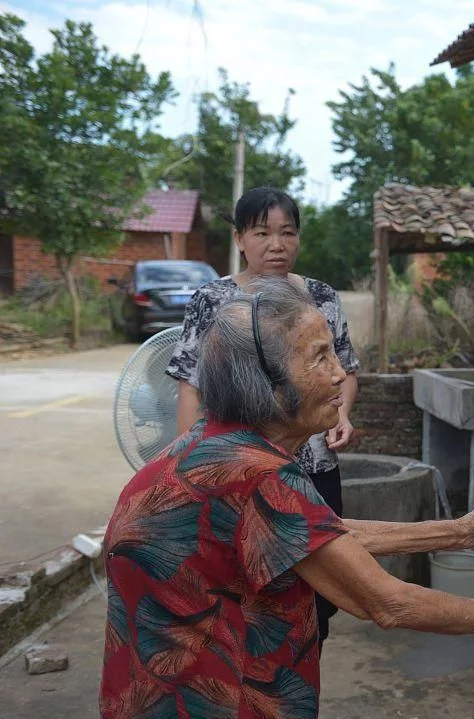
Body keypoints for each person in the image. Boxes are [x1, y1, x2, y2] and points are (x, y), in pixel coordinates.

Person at [101, 277, 474, 719]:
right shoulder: (256, 475)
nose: (340, 374)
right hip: (212, 699)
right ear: (266, 387)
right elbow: (385, 602)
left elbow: (319, 534)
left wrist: (453, 531)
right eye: (319, 357)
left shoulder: (214, 443)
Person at [166, 186, 356, 645]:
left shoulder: (320, 296)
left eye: (287, 233)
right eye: (262, 233)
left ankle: (304, 665)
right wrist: (190, 459)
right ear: (239, 239)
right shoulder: (213, 300)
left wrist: (343, 413)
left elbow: (345, 370)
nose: (277, 244)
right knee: (246, 583)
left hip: (312, 466)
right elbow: (191, 384)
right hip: (238, 470)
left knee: (320, 585)